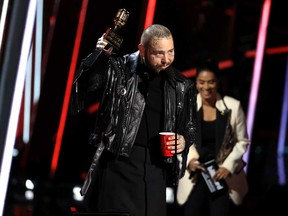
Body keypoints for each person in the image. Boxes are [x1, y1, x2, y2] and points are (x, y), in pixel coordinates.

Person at [69, 24, 197, 216]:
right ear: (142, 49)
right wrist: (99, 56)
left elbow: (190, 125)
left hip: (156, 171)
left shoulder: (181, 85)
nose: (166, 59)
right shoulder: (119, 70)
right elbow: (86, 88)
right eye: (159, 53)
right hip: (118, 166)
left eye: (170, 52)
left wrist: (184, 140)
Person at [176, 58, 250, 216]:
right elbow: (179, 139)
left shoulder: (233, 106)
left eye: (211, 82)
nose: (206, 87)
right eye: (201, 82)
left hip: (221, 176)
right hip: (195, 175)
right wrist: (189, 161)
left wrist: (227, 166)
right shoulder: (187, 107)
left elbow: (242, 141)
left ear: (218, 82)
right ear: (195, 83)